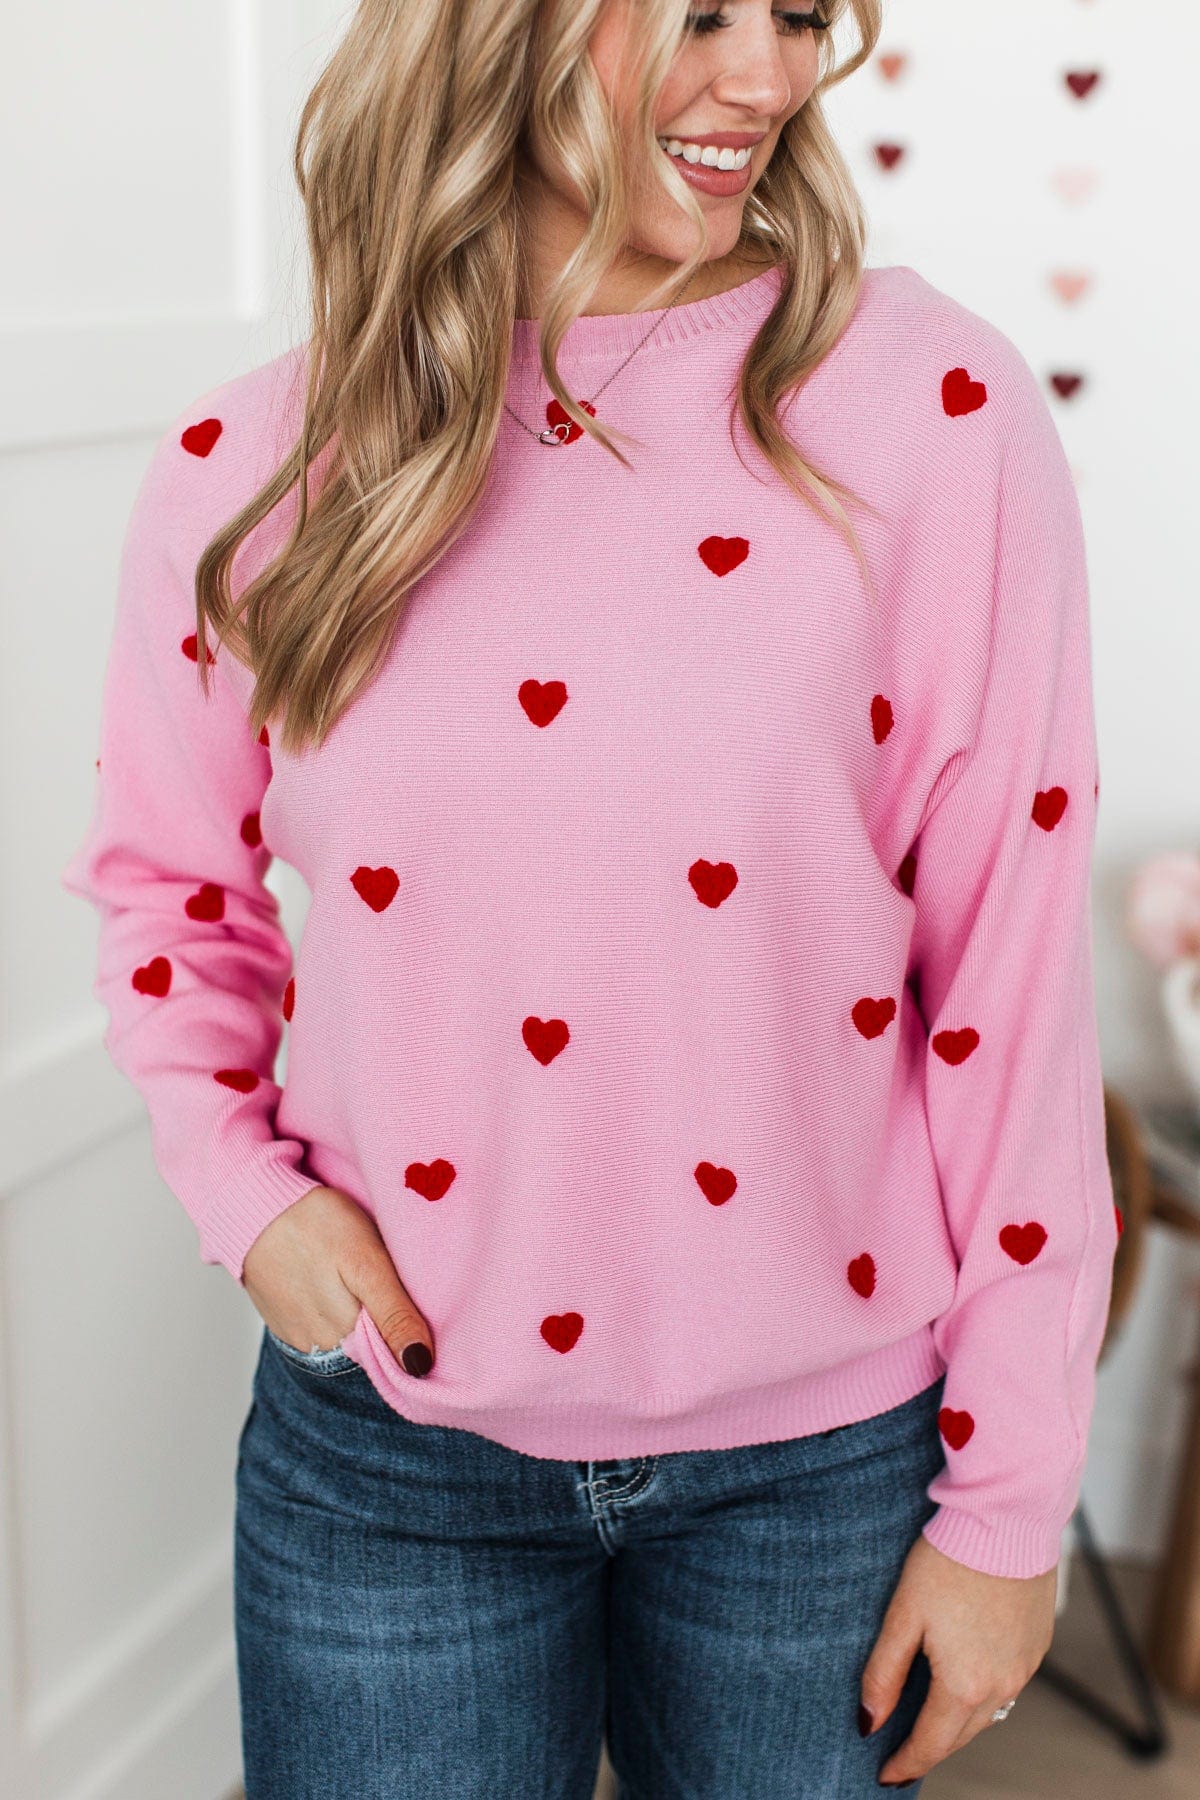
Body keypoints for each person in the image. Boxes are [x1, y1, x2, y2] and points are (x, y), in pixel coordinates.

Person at [61, 1, 1119, 1794]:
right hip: (387, 1459)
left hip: (820, 1472)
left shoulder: (934, 410)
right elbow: (167, 889)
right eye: (704, 12)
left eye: (800, 16)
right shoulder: (257, 462)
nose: (771, 78)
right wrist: (247, 1195)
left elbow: (1009, 987)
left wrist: (1013, 1501)